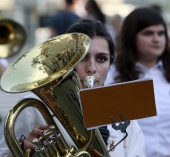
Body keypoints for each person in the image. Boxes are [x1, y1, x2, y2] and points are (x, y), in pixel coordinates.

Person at [0, 19, 146, 157]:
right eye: (82, 58)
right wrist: (24, 149)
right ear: (65, 61)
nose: (92, 68)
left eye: (101, 59)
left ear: (110, 63)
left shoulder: (121, 103)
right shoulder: (33, 106)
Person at [105, 7, 170, 157]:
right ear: (131, 36)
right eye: (148, 33)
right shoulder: (111, 76)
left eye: (161, 33)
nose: (156, 39)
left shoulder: (167, 74)